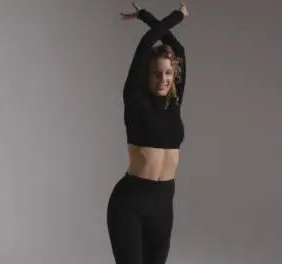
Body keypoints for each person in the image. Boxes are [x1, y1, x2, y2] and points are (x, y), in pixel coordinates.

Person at [106, 2, 189, 264]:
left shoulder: (173, 104)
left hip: (164, 207)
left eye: (167, 73)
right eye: (156, 73)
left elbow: (180, 51)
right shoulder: (135, 99)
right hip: (130, 206)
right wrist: (173, 17)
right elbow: (145, 46)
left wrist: (148, 16)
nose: (163, 79)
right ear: (146, 75)